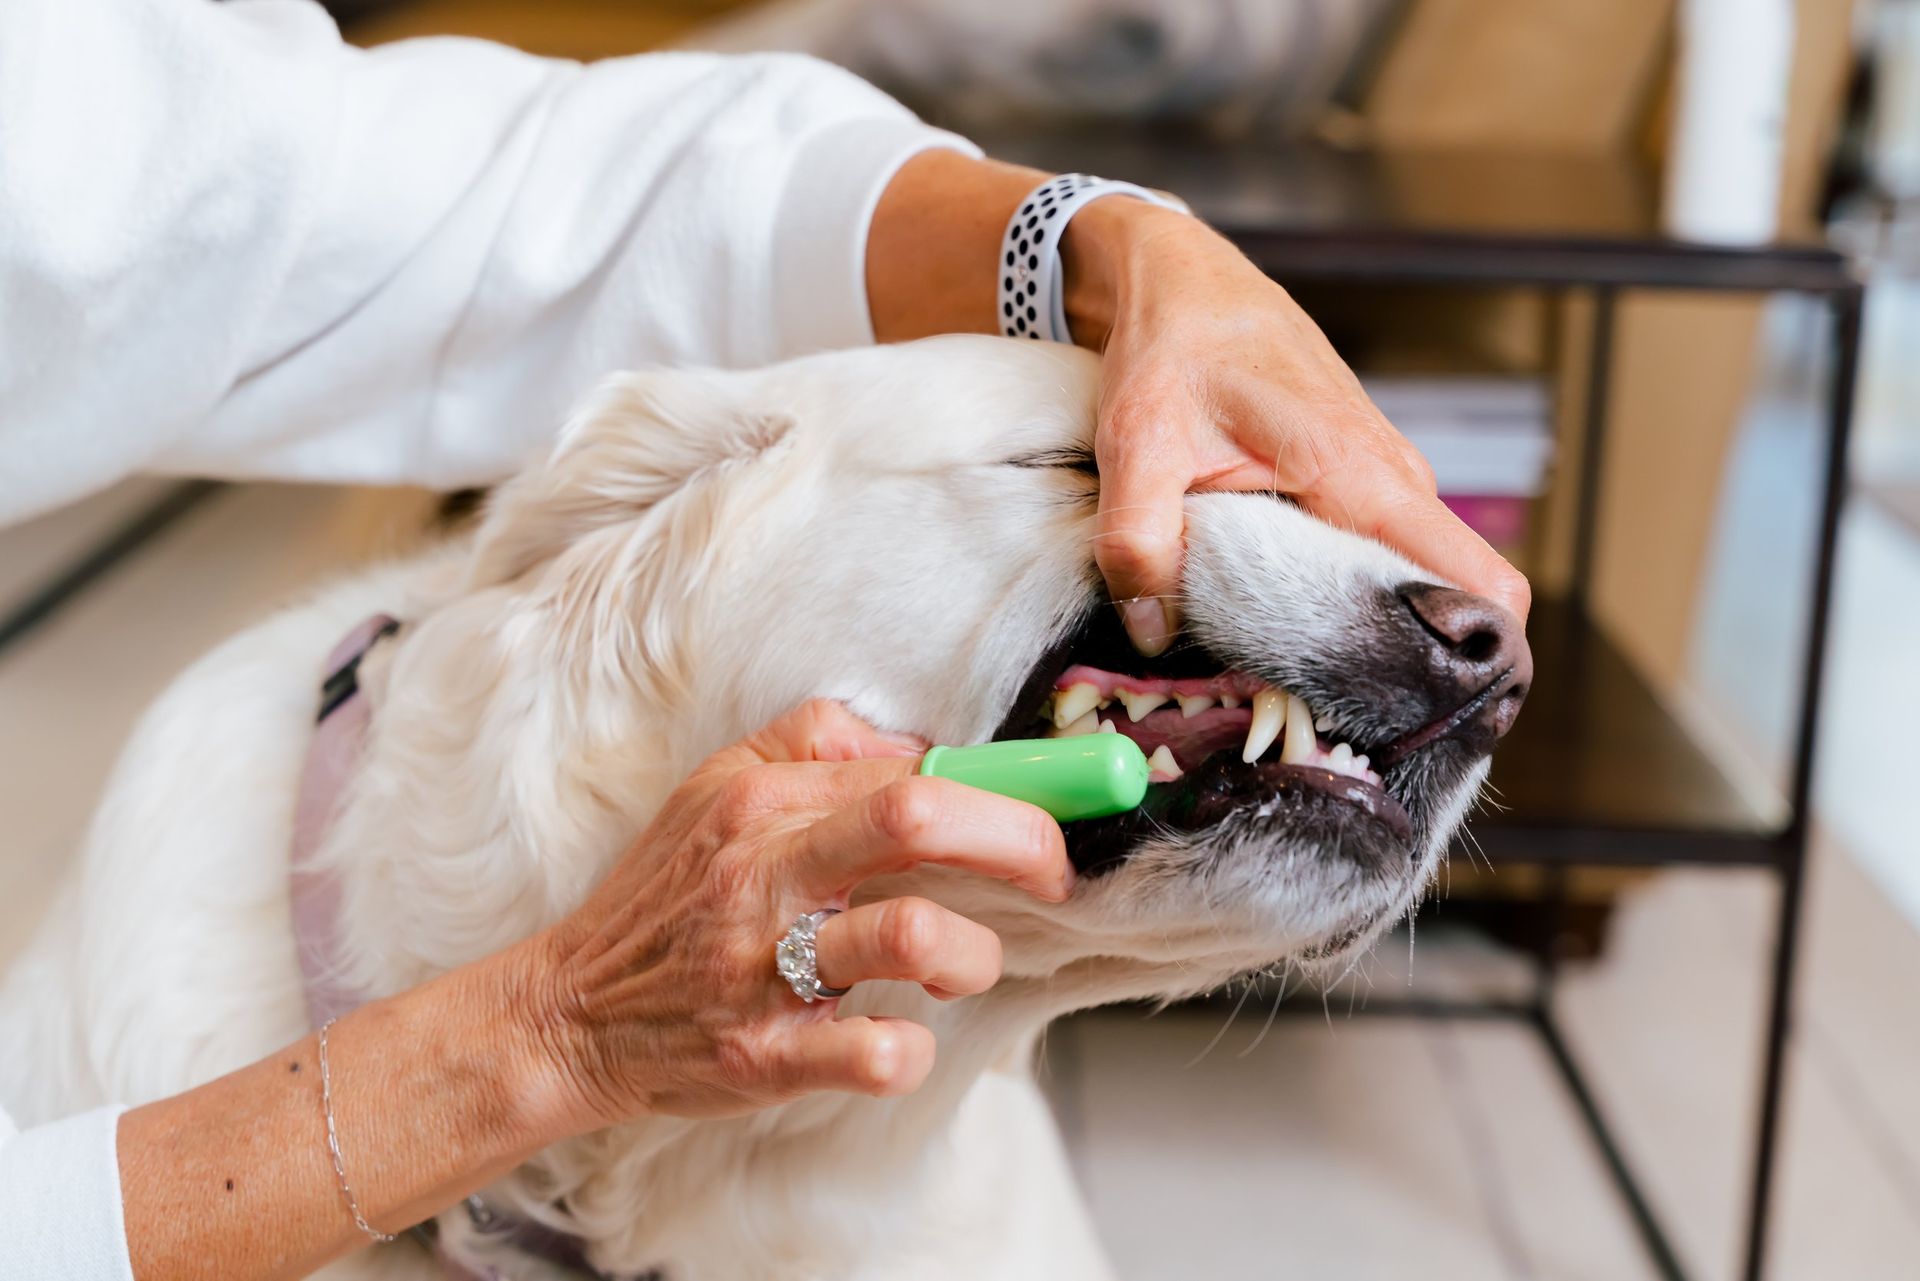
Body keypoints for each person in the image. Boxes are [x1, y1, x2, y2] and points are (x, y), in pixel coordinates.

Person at [0, 1, 1530, 1277]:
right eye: (1068, 471)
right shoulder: (144, 989)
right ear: (615, 553)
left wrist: (1103, 246)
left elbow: (447, 208)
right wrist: (541, 1037)